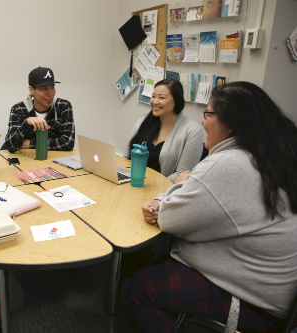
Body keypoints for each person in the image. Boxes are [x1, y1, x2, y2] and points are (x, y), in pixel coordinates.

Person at [131, 81, 297, 332]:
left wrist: (180, 184)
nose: (203, 121)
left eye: (208, 114)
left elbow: (169, 219)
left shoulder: (229, 163)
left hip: (253, 302)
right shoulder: (271, 156)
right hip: (271, 289)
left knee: (142, 288)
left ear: (231, 122)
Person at [126, 78, 203, 183]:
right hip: (132, 183)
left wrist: (150, 185)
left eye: (161, 97)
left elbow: (182, 175)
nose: (155, 101)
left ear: (176, 100)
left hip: (164, 192)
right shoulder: (142, 122)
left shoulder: (192, 130)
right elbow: (127, 158)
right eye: (153, 96)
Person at [1, 67, 75, 153]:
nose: (50, 93)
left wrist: (31, 144)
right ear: (31, 89)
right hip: (25, 161)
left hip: (50, 162)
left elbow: (68, 143)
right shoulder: (18, 109)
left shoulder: (63, 106)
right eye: (43, 88)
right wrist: (26, 124)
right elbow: (10, 146)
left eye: (52, 87)